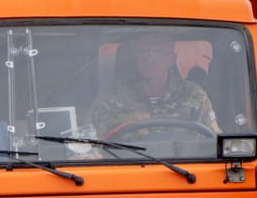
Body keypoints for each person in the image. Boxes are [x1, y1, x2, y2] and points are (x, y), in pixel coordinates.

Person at [91, 33, 219, 140]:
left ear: (171, 59)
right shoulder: (114, 96)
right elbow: (93, 143)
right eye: (143, 52)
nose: (149, 59)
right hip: (126, 168)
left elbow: (213, 143)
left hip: (185, 168)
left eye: (157, 52)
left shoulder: (194, 96)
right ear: (136, 57)